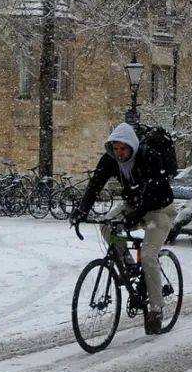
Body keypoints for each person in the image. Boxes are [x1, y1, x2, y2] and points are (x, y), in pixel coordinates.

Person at [71, 123, 176, 335]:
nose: (119, 154)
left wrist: (134, 218)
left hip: (160, 209)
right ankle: (128, 265)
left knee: (147, 256)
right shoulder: (110, 160)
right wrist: (81, 212)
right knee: (108, 226)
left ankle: (156, 309)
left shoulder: (149, 157)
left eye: (124, 149)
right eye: (116, 149)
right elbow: (95, 184)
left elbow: (153, 192)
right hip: (134, 204)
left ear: (132, 147)